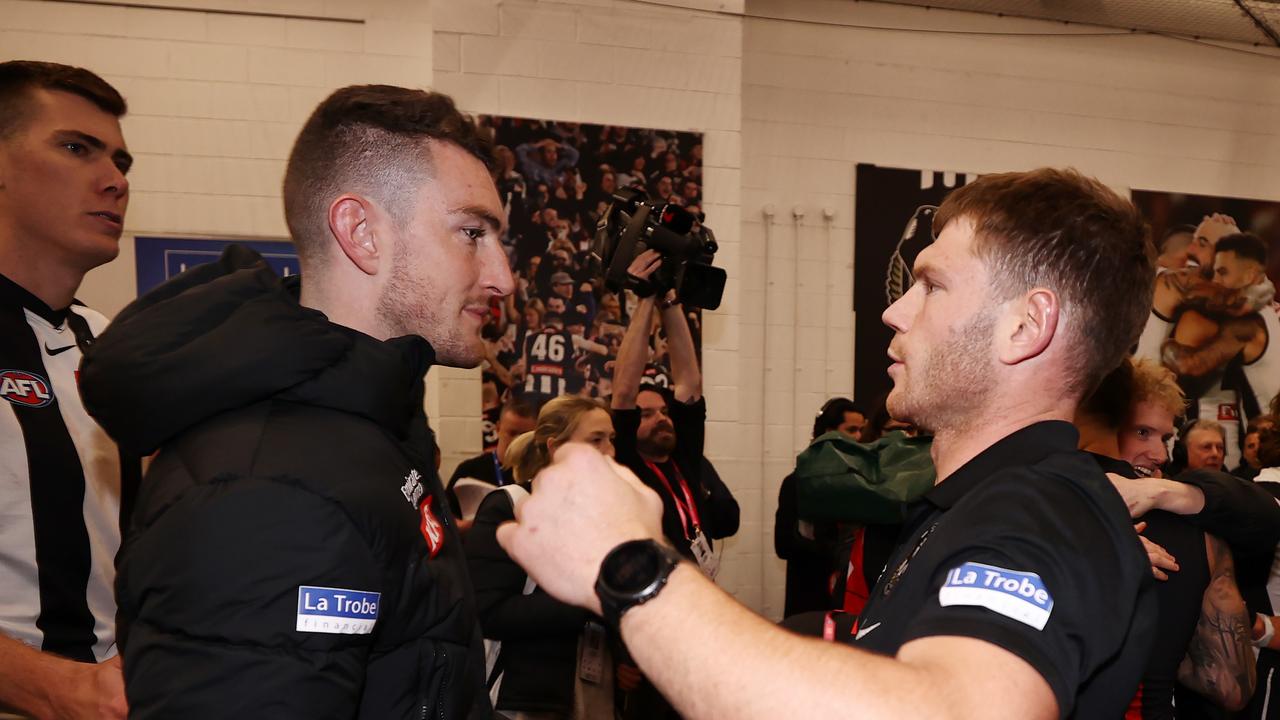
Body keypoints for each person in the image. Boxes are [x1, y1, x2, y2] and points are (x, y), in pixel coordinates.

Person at [498, 168, 1160, 719]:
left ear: (1025, 327)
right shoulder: (978, 505)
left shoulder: (1033, 511)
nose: (894, 311)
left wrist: (635, 570)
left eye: (932, 286)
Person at [79, 85, 513, 718]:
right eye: (472, 232)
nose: (502, 274)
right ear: (360, 232)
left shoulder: (371, 427)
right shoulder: (266, 487)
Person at [0, 60, 132, 720]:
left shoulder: (109, 346)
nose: (115, 180)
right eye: (76, 148)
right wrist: (55, 688)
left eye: (121, 160)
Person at [1076, 358, 1254, 715]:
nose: (1159, 454)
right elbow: (1230, 685)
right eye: (1142, 432)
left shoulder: (1037, 499)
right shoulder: (1200, 537)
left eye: (1167, 438)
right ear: (1105, 423)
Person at [464, 396, 619, 720]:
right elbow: (489, 611)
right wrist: (592, 599)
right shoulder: (510, 506)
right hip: (524, 700)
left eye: (611, 439)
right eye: (596, 440)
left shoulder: (608, 514)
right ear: (554, 447)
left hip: (592, 694)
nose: (610, 451)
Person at [610, 249, 739, 572]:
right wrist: (645, 299)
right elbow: (624, 391)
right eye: (648, 414)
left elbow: (689, 383)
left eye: (664, 412)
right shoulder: (627, 461)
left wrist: (669, 300)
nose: (661, 419)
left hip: (697, 585)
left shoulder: (684, 457)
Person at [774, 398, 865, 617]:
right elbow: (783, 545)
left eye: (862, 430)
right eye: (851, 430)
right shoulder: (797, 482)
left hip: (849, 601)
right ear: (829, 432)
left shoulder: (864, 482)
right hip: (810, 600)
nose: (859, 437)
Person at [447, 397, 538, 522]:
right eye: (512, 433)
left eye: (524, 435)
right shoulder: (470, 470)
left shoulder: (539, 473)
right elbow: (444, 520)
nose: (516, 440)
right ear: (498, 429)